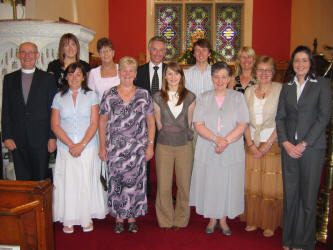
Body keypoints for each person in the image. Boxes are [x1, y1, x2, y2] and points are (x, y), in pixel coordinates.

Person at [276, 46, 331, 250]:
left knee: (308, 197)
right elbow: (280, 117)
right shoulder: (287, 86)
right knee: (291, 196)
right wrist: (286, 143)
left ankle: (305, 242)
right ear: (292, 63)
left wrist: (304, 143)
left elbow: (323, 117)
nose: (300, 64)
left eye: (304, 60)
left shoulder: (322, 85)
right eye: (297, 60)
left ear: (310, 63)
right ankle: (289, 239)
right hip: (289, 149)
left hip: (312, 150)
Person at [189, 62, 249, 235]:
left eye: (224, 77)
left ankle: (223, 220)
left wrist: (225, 141)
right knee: (210, 182)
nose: (220, 80)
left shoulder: (238, 97)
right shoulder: (203, 97)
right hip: (208, 146)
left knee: (226, 182)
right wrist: (216, 139)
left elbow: (243, 123)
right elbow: (198, 124)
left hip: (231, 147)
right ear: (211, 78)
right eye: (216, 77)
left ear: (229, 78)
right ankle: (212, 218)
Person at [99, 56, 155, 234]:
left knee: (136, 183)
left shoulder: (144, 94)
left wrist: (150, 146)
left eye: (131, 70)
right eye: (124, 70)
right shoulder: (109, 94)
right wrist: (102, 146)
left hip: (137, 149)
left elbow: (151, 123)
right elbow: (102, 122)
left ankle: (132, 217)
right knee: (116, 183)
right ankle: (118, 217)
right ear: (119, 72)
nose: (127, 73)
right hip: (115, 149)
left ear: (136, 73)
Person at [51, 62, 106, 234]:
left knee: (85, 181)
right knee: (67, 182)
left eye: (78, 74)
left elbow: (94, 123)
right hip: (65, 147)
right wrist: (70, 145)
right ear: (66, 77)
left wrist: (81, 145)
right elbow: (55, 125)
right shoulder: (58, 97)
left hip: (87, 146)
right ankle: (69, 218)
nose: (74, 77)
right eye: (71, 74)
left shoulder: (92, 96)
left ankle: (85, 217)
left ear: (83, 77)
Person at [1, 42, 57, 181]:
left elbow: (53, 111)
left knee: (40, 180)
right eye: (23, 52)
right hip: (17, 139)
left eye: (31, 52)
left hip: (41, 139)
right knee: (22, 180)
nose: (27, 56)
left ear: (37, 55)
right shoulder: (9, 80)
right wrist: (6, 136)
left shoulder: (48, 79)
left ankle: (39, 204)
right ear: (19, 55)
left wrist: (52, 137)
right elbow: (6, 109)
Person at [241, 56, 283, 237]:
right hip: (251, 143)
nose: (264, 73)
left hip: (272, 143)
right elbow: (243, 120)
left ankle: (269, 223)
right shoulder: (248, 91)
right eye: (260, 70)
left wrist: (266, 145)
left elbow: (283, 120)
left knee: (269, 186)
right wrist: (250, 143)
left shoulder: (281, 90)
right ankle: (253, 220)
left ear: (273, 72)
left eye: (268, 70)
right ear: (255, 71)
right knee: (252, 185)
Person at [153, 62, 195, 231]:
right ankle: (165, 219)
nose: (173, 77)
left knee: (184, 184)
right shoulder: (157, 96)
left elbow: (189, 123)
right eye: (169, 74)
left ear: (181, 76)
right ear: (165, 76)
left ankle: (181, 218)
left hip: (184, 145)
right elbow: (158, 122)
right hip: (164, 145)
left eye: (176, 74)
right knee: (163, 185)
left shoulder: (190, 97)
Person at [134, 35, 167, 195]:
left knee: (163, 158)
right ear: (149, 50)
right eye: (154, 49)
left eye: (161, 50)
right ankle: (144, 190)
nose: (157, 53)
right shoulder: (138, 72)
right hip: (142, 122)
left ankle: (164, 190)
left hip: (165, 122)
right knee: (143, 156)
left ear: (165, 52)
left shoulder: (171, 72)